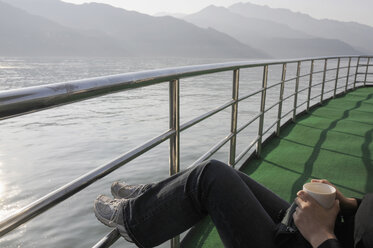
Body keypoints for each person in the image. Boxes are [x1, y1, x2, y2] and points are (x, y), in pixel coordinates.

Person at [93, 160, 372, 248]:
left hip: (321, 240)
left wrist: (321, 236)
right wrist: (349, 204)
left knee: (210, 177)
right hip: (327, 231)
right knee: (225, 174)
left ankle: (134, 220)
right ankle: (153, 198)